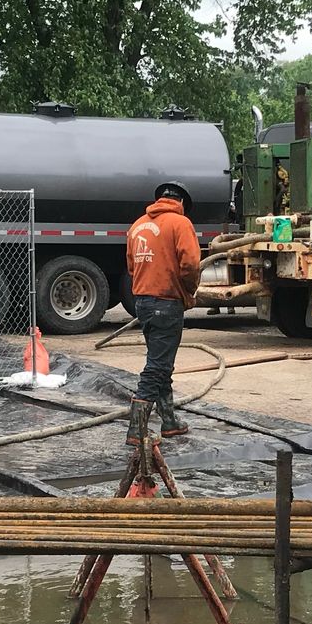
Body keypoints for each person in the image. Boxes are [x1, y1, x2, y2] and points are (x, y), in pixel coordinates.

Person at [126, 180, 203, 442]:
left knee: (161, 363)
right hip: (167, 302)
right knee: (157, 366)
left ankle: (169, 421)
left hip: (144, 302)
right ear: (181, 202)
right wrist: (189, 291)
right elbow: (191, 264)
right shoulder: (180, 224)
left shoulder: (137, 225)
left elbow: (131, 266)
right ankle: (136, 428)